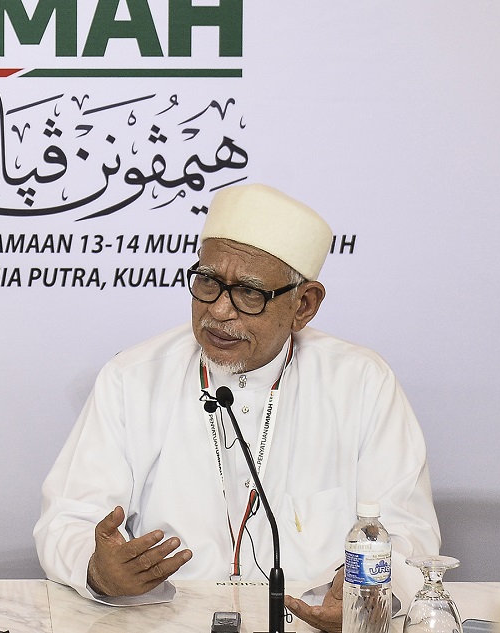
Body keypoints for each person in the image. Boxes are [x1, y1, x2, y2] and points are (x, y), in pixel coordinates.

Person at [33, 183, 439, 630]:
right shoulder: (133, 377)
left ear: (304, 305)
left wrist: (368, 596)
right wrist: (98, 570)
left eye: (249, 292)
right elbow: (68, 520)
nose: (219, 311)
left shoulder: (361, 383)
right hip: (168, 624)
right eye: (208, 282)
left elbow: (408, 535)